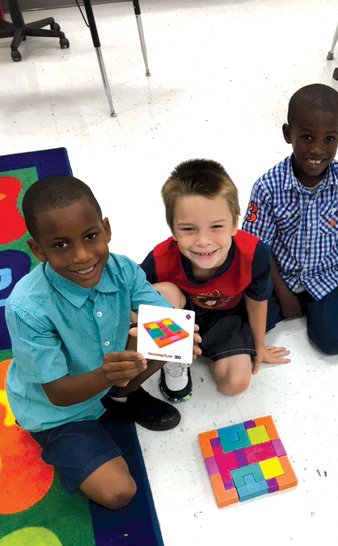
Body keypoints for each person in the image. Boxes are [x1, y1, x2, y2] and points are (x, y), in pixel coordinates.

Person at [6, 176, 200, 509]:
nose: (82, 256)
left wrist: (181, 339)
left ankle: (120, 399)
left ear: (106, 230)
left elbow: (161, 316)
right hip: (55, 413)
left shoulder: (122, 269)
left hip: (105, 375)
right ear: (38, 250)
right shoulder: (26, 307)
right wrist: (108, 375)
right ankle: (93, 415)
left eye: (91, 236)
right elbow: (57, 393)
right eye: (60, 245)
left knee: (168, 335)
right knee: (119, 493)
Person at [242, 83, 338, 355]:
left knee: (335, 341)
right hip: (278, 277)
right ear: (287, 133)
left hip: (325, 276)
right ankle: (304, 304)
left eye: (329, 139)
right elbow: (259, 247)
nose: (317, 149)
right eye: (306, 137)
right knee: (246, 332)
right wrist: (283, 295)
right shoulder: (267, 186)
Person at [141, 158, 290, 401]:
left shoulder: (254, 253)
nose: (203, 240)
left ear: (234, 224)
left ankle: (209, 351)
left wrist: (259, 346)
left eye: (216, 227)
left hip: (227, 318)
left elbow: (257, 300)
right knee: (162, 293)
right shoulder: (160, 257)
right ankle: (174, 360)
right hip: (182, 310)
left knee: (236, 384)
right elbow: (136, 300)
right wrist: (170, 339)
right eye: (189, 229)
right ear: (173, 229)